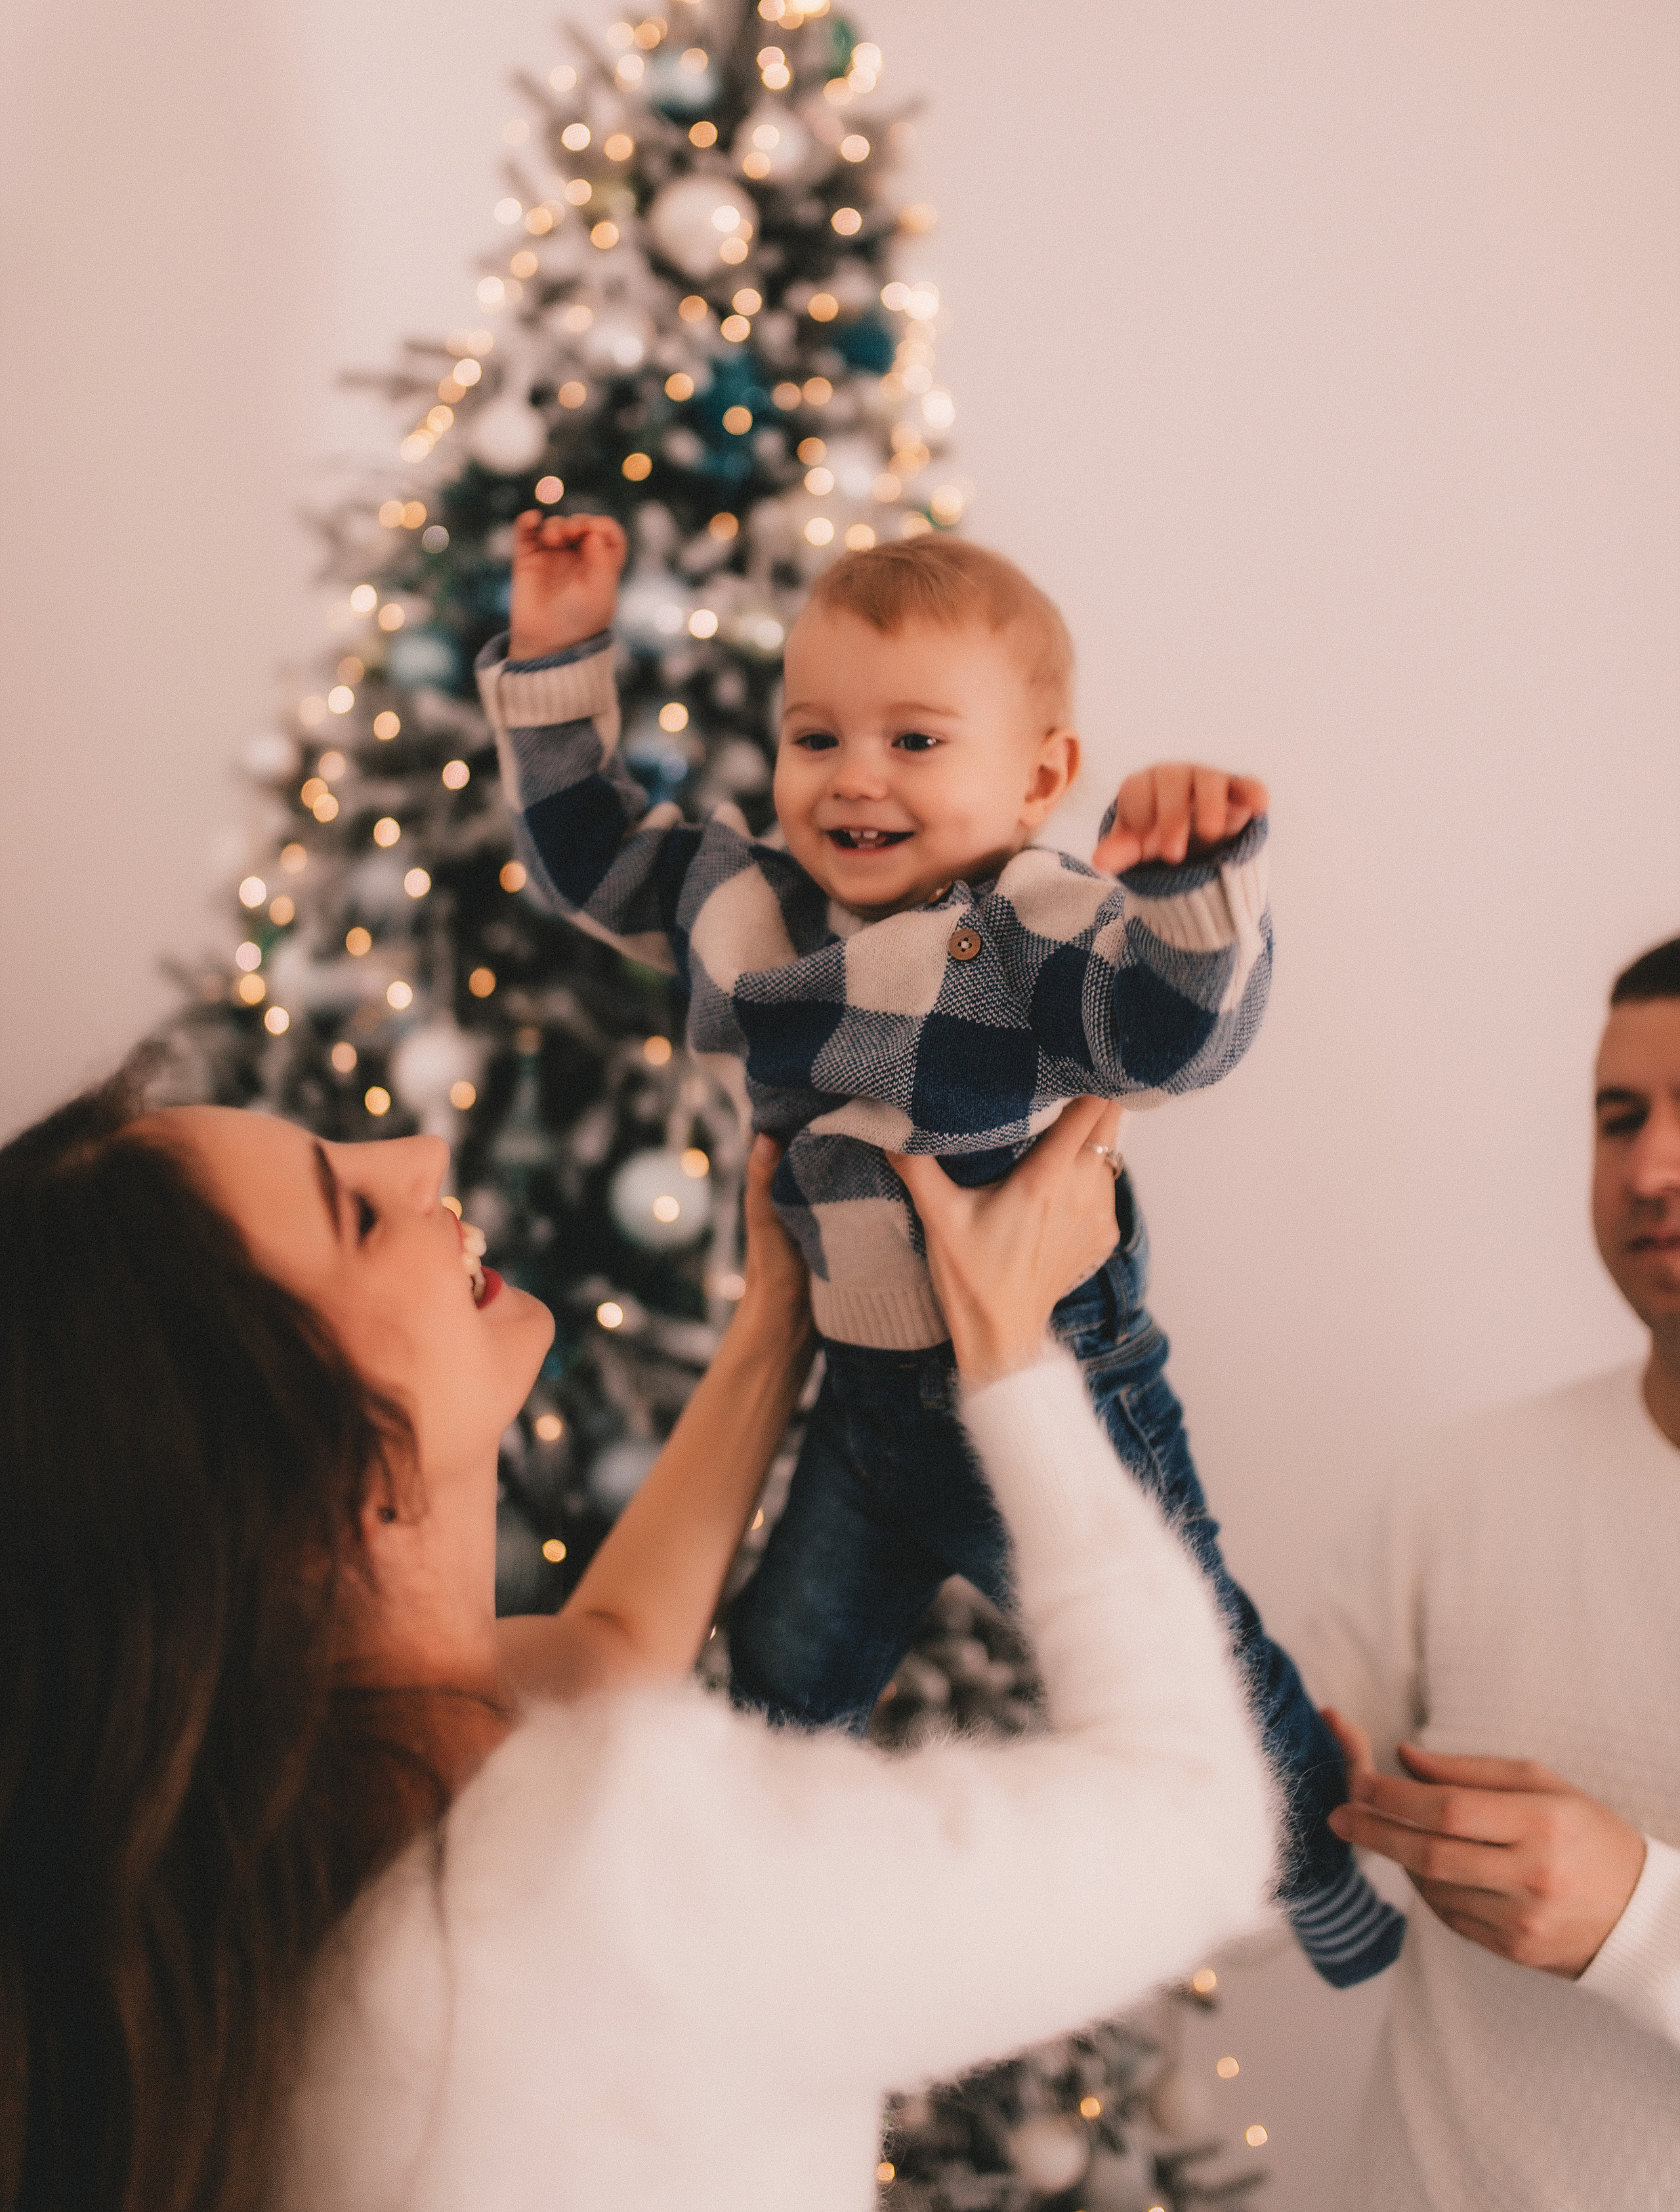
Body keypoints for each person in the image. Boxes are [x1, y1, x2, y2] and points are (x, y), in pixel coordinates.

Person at [0, 1071, 1273, 2212]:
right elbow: (1198, 1821)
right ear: (327, 1466)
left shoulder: (258, 1816)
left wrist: (774, 1325)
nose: (422, 1154)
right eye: (359, 1215)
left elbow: (602, 1648)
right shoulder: (618, 1880)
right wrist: (1015, 1356)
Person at [475, 511, 1401, 1987]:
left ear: (1039, 775)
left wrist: (1190, 890)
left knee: (1200, 1654)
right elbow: (593, 850)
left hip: (1053, 1385)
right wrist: (554, 647)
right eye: (813, 735)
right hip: (862, 1408)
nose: (851, 776)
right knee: (781, 1671)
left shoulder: (1037, 932)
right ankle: (757, 1922)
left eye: (915, 743)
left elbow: (1169, 1036)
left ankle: (1316, 1866)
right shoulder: (750, 907)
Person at [1307, 934, 1680, 2209]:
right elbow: (1238, 1844)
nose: (1649, 1170)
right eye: (1615, 1117)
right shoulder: (1453, 1489)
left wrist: (1638, 1923)